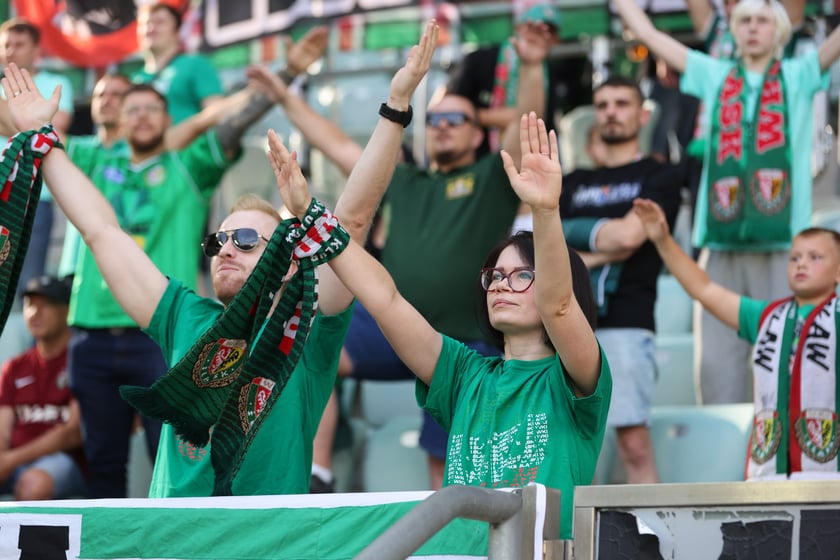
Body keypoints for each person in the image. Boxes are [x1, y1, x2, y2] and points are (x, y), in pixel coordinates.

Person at [0, 21, 439, 497]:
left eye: (247, 239)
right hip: (170, 545)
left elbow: (350, 224)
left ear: (290, 262)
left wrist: (395, 107)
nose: (225, 248)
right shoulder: (186, 317)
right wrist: (41, 138)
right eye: (218, 241)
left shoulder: (307, 334)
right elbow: (102, 233)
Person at [272, 111, 611, 538]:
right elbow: (386, 300)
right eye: (495, 276)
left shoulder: (575, 378)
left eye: (522, 274)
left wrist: (545, 211)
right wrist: (313, 218)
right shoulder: (464, 374)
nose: (501, 286)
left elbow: (559, 307)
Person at [271, 22, 551, 491]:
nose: (442, 128)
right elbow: (336, 144)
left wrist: (535, 65)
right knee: (305, 345)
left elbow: (525, 128)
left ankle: (447, 539)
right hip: (389, 328)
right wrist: (282, 95)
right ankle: (317, 473)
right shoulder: (404, 178)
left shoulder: (491, 179)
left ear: (478, 134)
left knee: (446, 464)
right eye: (435, 121)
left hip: (462, 344)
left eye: (455, 120)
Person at [613, 0, 840, 405]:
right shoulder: (714, 75)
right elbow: (649, 36)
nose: (753, 28)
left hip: (783, 249)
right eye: (745, 20)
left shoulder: (800, 74)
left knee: (784, 368)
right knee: (717, 372)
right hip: (720, 248)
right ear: (732, 31)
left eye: (763, 21)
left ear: (780, 32)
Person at [634, 197, 840, 480]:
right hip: (768, 478)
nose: (802, 264)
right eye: (795, 258)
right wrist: (664, 241)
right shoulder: (767, 316)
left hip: (829, 479)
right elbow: (704, 289)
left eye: (815, 257)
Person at [560, 76, 684, 484]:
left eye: (621, 103)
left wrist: (575, 246)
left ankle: (650, 543)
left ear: (641, 113)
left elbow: (632, 236)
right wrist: (608, 244)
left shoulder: (659, 176)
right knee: (567, 451)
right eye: (603, 104)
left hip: (627, 322)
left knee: (633, 444)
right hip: (566, 323)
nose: (611, 111)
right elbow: (543, 247)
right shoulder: (573, 182)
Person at [446, 2, 586, 156]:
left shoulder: (554, 72)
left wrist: (509, 118)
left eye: (549, 31)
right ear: (517, 28)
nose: (538, 36)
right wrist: (498, 118)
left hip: (524, 159)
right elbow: (451, 109)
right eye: (532, 28)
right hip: (477, 159)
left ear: (556, 41)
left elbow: (539, 122)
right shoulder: (479, 59)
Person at [0, 18, 74, 298]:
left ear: (36, 49)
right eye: (6, 45)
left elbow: (57, 127)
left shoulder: (56, 82)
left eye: (19, 44)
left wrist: (22, 121)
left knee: (29, 285)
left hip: (33, 194)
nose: (11, 51)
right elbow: (40, 127)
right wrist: (30, 121)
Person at [0, 275, 86, 500]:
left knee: (33, 485)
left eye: (45, 305)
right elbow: (2, 430)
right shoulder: (14, 367)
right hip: (12, 461)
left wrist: (11, 460)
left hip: (63, 462)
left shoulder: (83, 362)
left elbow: (72, 434)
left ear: (66, 311)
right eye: (29, 305)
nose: (34, 313)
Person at [132, 2, 223, 123]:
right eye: (145, 23)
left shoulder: (196, 64)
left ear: (177, 32)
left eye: (160, 22)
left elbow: (216, 113)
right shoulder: (134, 79)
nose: (151, 28)